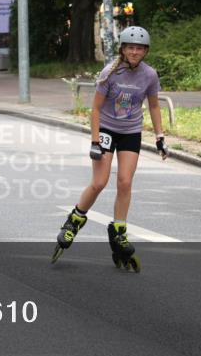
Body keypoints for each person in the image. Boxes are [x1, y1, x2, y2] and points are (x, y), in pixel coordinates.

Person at [51, 26, 167, 272]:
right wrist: (95, 142)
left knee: (125, 182)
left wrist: (159, 136)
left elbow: (155, 107)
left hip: (131, 132)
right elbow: (95, 109)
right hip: (105, 130)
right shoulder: (110, 73)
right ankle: (73, 222)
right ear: (123, 49)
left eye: (139, 48)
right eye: (130, 47)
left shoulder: (149, 75)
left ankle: (119, 230)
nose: (134, 52)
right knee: (100, 182)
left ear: (145, 51)